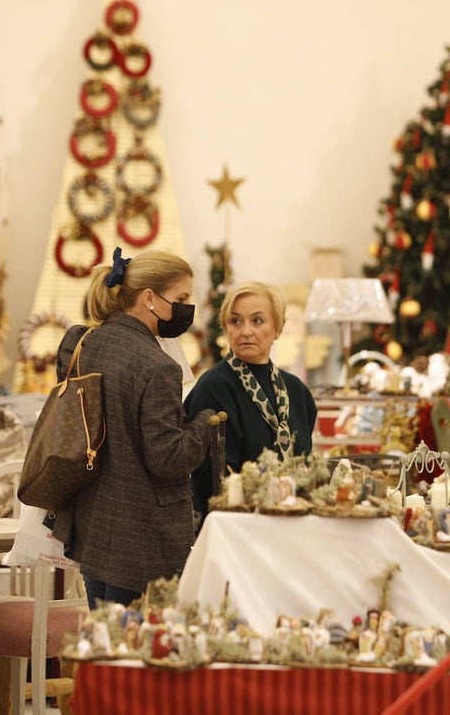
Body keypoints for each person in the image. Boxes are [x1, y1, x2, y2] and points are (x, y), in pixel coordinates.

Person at [48, 248, 217, 609]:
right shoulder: (158, 366)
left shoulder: (82, 343)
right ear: (150, 298)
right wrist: (204, 423)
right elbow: (168, 458)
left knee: (105, 643)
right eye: (182, 298)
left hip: (92, 523)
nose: (189, 307)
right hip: (143, 538)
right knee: (140, 650)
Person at [184, 281, 318, 516]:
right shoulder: (213, 387)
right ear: (225, 328)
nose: (245, 331)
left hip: (294, 519)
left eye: (257, 321)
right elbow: (207, 480)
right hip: (234, 526)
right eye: (235, 321)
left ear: (278, 327)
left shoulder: (297, 392)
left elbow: (305, 464)